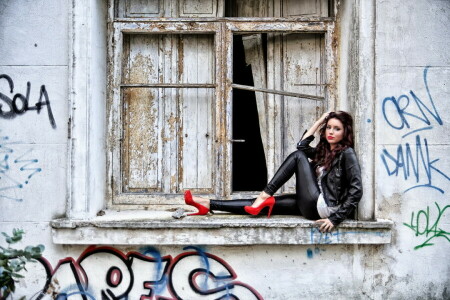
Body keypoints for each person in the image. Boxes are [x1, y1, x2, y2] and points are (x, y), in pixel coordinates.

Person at [184, 111, 363, 232]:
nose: (331, 132)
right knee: (262, 205)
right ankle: (209, 204)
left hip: (324, 207)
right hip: (312, 206)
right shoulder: (324, 151)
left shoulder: (347, 153)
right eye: (329, 127)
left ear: (345, 132)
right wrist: (319, 121)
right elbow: (302, 144)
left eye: (337, 129)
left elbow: (356, 190)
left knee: (298, 157)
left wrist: (335, 219)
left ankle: (265, 193)